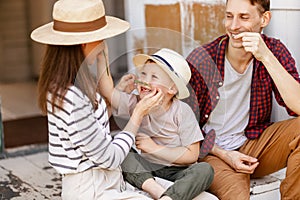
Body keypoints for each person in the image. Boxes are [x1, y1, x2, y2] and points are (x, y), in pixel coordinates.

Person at [30, 0, 164, 199]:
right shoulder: (71, 96)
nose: (104, 42)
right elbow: (110, 157)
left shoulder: (72, 81)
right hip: (91, 188)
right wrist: (138, 114)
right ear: (84, 42)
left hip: (106, 180)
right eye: (101, 38)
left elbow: (89, 126)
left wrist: (106, 70)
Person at [186, 0, 300, 199]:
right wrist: (225, 154)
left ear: (264, 19)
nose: (233, 26)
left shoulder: (274, 50)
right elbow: (183, 127)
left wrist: (266, 56)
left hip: (255, 146)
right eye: (229, 16)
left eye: (243, 17)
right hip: (214, 152)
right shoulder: (203, 59)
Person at [107, 48, 215, 200]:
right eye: (143, 74)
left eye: (154, 76)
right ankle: (157, 191)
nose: (145, 79)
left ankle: (170, 197)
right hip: (147, 167)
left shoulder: (182, 112)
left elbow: (192, 154)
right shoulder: (136, 102)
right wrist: (118, 85)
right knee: (122, 151)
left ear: (172, 89)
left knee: (205, 170)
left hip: (177, 170)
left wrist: (154, 148)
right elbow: (108, 94)